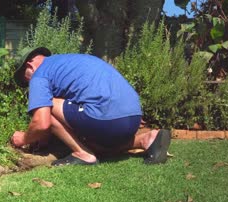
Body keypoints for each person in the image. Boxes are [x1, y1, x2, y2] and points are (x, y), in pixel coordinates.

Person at [10, 47, 171, 165]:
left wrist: (23, 138)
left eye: (24, 80)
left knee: (47, 105)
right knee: (93, 143)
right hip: (133, 116)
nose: (28, 83)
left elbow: (42, 122)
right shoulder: (70, 60)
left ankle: (83, 154)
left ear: (29, 65)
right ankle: (146, 139)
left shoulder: (39, 74)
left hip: (106, 119)